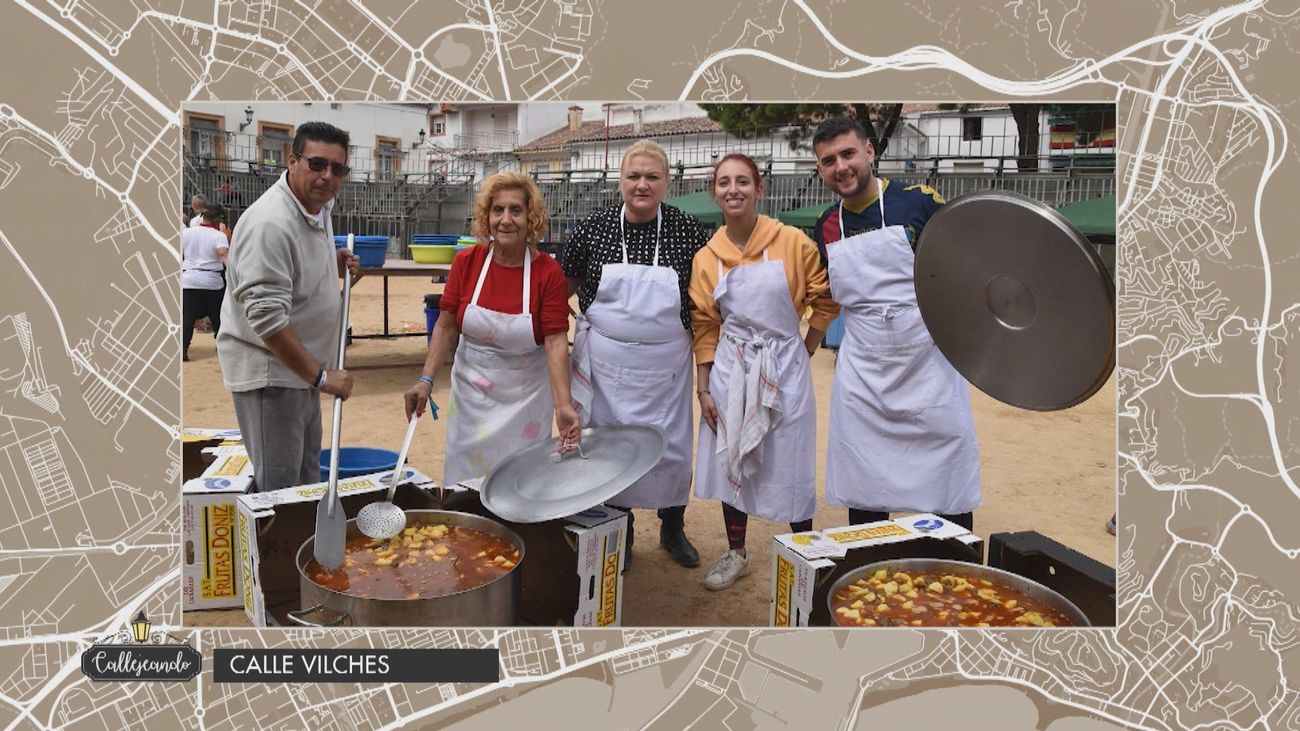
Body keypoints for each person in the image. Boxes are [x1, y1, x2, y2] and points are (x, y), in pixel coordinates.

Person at [811, 116, 981, 531]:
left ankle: (953, 560)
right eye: (829, 160)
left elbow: (962, 266)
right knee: (865, 480)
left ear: (869, 152)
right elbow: (828, 296)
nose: (842, 167)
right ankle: (870, 563)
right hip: (864, 372)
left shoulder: (919, 200)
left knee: (945, 471)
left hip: (927, 363)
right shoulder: (826, 225)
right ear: (820, 170)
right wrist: (803, 348)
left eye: (848, 154)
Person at [690, 153, 839, 590]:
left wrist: (803, 349)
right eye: (723, 183)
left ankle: (808, 552)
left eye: (742, 181)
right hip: (730, 371)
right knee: (731, 455)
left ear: (760, 188)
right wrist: (704, 390)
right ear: (713, 192)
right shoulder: (706, 258)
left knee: (791, 458)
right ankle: (736, 551)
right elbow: (704, 325)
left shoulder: (792, 242)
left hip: (783, 367)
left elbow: (825, 300)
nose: (733, 189)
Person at [564, 140, 712, 569]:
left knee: (672, 449)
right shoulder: (593, 229)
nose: (642, 184)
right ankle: (620, 530)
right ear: (620, 181)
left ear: (667, 182)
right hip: (606, 366)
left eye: (652, 176)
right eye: (634, 176)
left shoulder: (687, 231)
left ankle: (672, 525)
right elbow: (564, 287)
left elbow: (703, 302)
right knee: (610, 448)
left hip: (666, 367)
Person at [404, 172, 580, 486]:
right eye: (498, 210)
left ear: (531, 217)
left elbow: (555, 342)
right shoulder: (467, 262)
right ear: (487, 216)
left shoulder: (547, 272)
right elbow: (445, 326)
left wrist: (563, 405)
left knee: (519, 484)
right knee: (465, 484)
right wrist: (426, 380)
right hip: (472, 398)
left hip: (525, 402)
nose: (505, 220)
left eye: (516, 210)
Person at [216, 122, 359, 493]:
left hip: (302, 373)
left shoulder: (316, 207)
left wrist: (333, 262)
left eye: (337, 168)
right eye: (317, 164)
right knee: (281, 491)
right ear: (292, 161)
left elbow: (295, 273)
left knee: (305, 480)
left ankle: (301, 547)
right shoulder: (271, 224)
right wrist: (323, 378)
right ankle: (277, 551)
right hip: (273, 376)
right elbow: (268, 321)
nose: (327, 176)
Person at [181, 205, 230, 361]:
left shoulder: (186, 233)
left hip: (189, 280)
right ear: (218, 220)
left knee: (187, 319)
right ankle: (223, 349)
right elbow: (224, 256)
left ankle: (183, 350)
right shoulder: (218, 236)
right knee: (219, 318)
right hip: (213, 282)